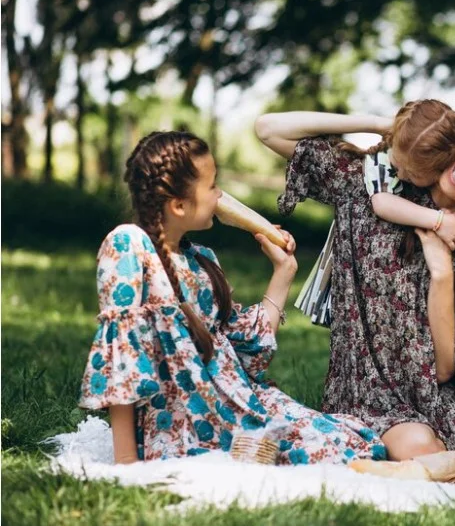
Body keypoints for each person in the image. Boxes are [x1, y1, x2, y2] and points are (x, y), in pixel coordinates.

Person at [255, 110, 455, 460]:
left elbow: (447, 370)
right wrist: (381, 124)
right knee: (422, 449)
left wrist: (441, 277)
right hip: (370, 396)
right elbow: (268, 129)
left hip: (450, 400)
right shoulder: (371, 185)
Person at [78, 130, 386, 465]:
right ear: (179, 205)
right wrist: (126, 464)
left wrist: (283, 273)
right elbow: (124, 358)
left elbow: (249, 353)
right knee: (329, 458)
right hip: (186, 426)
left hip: (240, 406)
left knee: (356, 442)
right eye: (212, 186)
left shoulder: (202, 258)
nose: (220, 194)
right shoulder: (129, 245)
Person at [295, 99, 455, 327]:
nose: (398, 169)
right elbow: (382, 203)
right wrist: (381, 124)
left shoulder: (432, 167)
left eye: (410, 171)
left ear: (437, 168)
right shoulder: (382, 159)